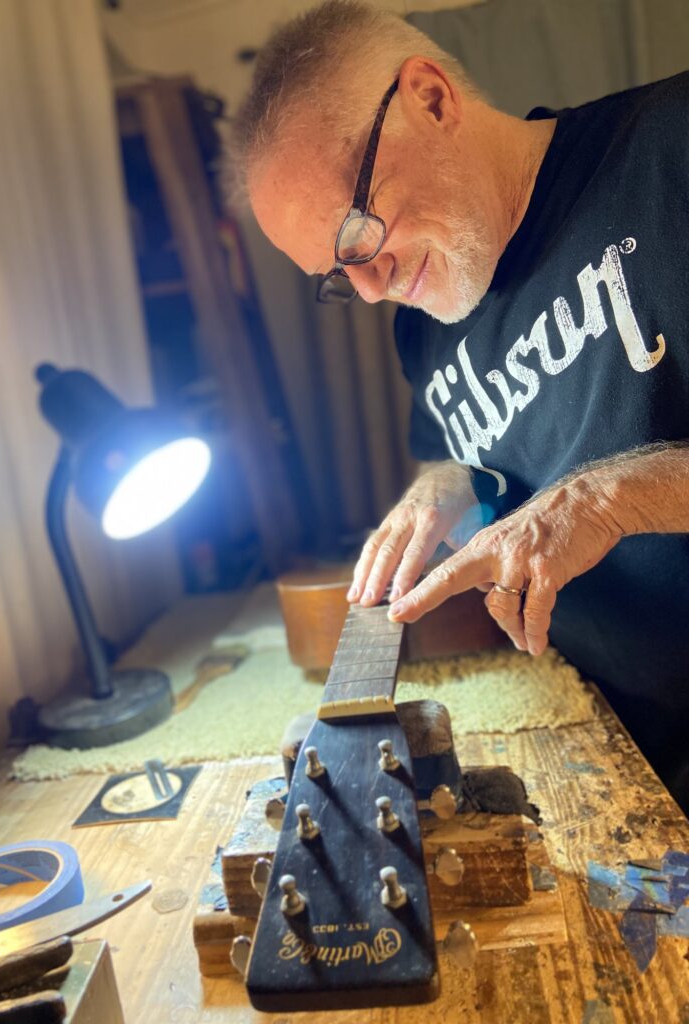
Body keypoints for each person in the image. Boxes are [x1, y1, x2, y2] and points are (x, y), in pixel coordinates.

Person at [227, 0, 689, 809]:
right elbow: (478, 460)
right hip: (614, 753)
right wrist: (443, 484)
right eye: (336, 278)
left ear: (430, 99)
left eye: (359, 240)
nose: (369, 291)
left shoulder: (670, 148)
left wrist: (603, 500)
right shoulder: (425, 328)